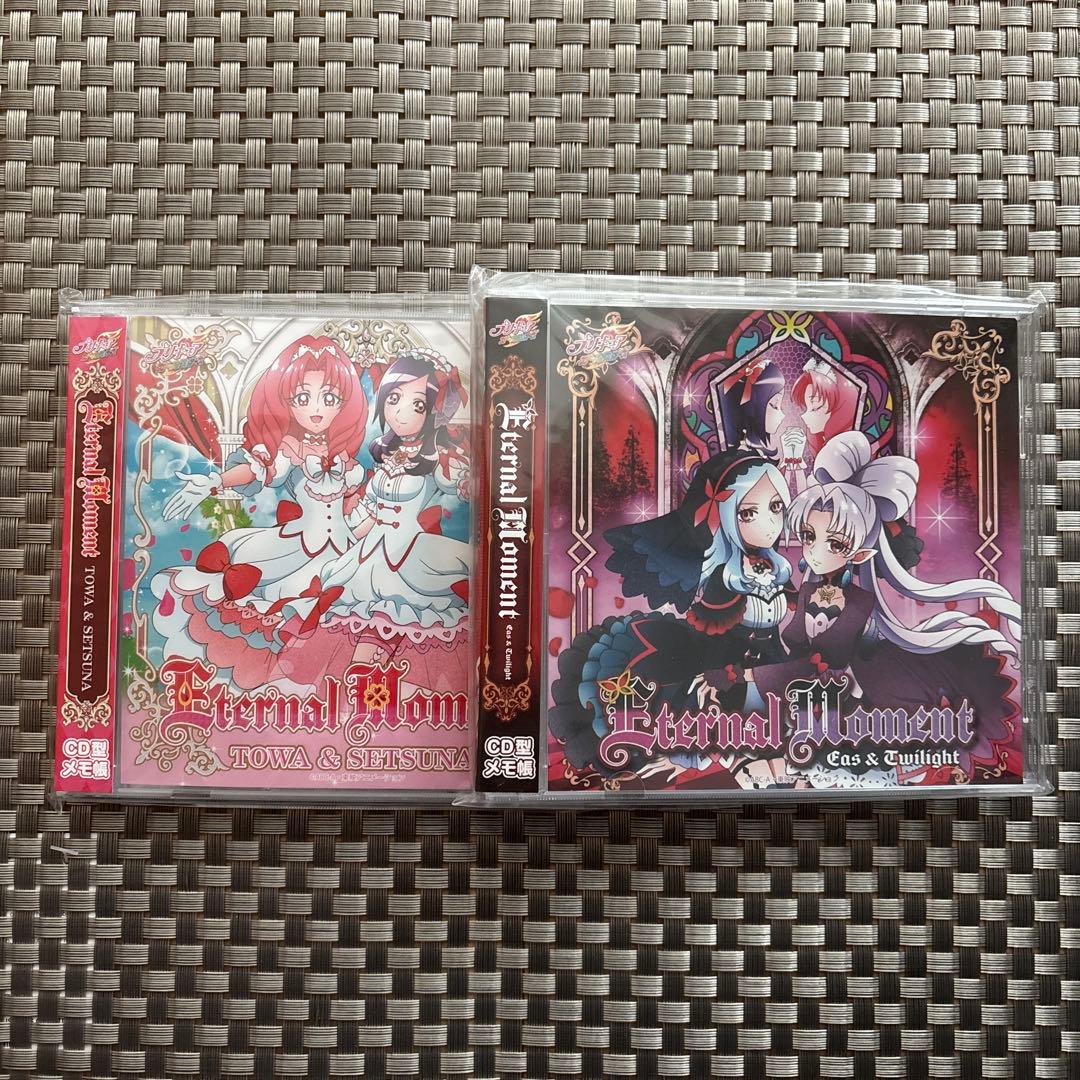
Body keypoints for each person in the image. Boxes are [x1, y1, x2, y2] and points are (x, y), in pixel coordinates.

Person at [703, 431, 1021, 785]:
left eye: (834, 543)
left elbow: (823, 660)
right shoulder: (808, 591)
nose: (814, 551)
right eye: (809, 536)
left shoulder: (858, 601)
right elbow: (796, 645)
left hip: (858, 700)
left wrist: (748, 675)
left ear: (861, 554)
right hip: (813, 697)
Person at [549, 448, 794, 784]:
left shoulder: (775, 568)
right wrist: (728, 677)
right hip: (734, 677)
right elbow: (717, 639)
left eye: (776, 507)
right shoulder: (724, 579)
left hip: (774, 674)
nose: (770, 523)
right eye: (749, 513)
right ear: (724, 516)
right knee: (754, 765)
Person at [151, 334, 368, 690]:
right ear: (286, 402)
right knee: (291, 601)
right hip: (298, 549)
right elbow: (256, 472)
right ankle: (284, 686)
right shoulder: (290, 450)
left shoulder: (346, 458)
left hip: (344, 550)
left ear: (345, 404)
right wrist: (213, 482)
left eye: (329, 398)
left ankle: (332, 688)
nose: (317, 408)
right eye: (303, 398)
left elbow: (354, 507)